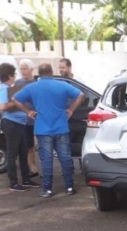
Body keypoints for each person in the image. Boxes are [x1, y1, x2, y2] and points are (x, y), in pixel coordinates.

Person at [13, 63, 84, 198]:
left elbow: (15, 99)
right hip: (61, 127)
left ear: (39, 74)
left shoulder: (32, 87)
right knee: (65, 158)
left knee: (46, 160)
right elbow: (80, 95)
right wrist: (70, 110)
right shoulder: (62, 85)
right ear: (51, 73)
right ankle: (69, 187)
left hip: (42, 128)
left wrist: (28, 111)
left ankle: (47, 189)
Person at [0, 63, 40, 192]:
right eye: (14, 74)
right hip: (11, 123)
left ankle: (26, 179)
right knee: (13, 153)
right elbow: (2, 107)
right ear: (10, 75)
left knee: (24, 151)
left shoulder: (9, 87)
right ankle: (13, 182)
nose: (15, 76)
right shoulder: (3, 88)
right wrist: (16, 101)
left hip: (19, 123)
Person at [14, 59, 39, 178]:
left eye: (25, 68)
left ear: (31, 69)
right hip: (23, 120)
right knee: (27, 145)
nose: (23, 71)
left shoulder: (37, 82)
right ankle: (30, 168)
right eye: (21, 69)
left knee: (35, 145)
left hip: (37, 118)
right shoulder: (18, 83)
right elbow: (12, 100)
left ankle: (35, 167)